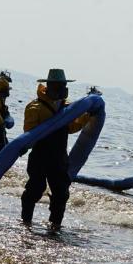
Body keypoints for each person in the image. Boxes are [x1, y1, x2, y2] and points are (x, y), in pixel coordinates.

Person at [21, 69, 90, 230]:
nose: (62, 89)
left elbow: (71, 128)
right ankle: (26, 221)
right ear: (49, 86)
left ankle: (55, 225)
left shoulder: (67, 107)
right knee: (35, 189)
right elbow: (28, 132)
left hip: (59, 158)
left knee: (61, 193)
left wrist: (85, 117)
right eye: (59, 86)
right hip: (40, 156)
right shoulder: (35, 107)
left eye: (64, 86)